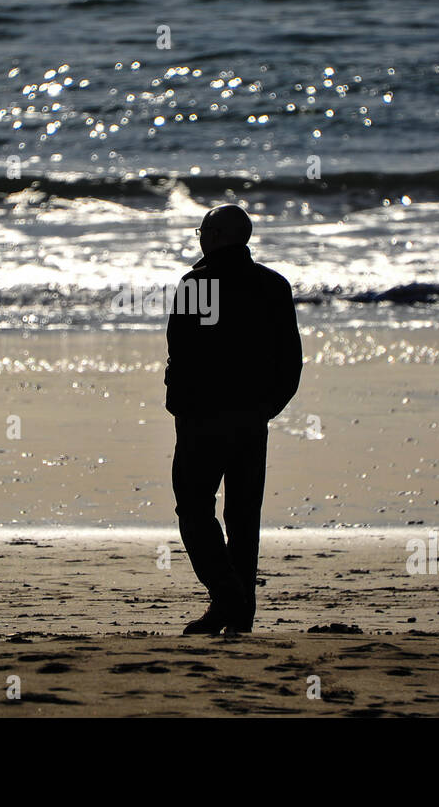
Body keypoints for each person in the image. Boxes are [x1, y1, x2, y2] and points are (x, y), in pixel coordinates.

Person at [165, 203, 302, 634]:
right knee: (244, 517)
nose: (199, 237)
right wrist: (268, 408)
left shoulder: (198, 284)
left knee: (193, 508)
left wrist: (180, 406)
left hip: (203, 418)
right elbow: (290, 361)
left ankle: (227, 595)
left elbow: (181, 354)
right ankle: (239, 610)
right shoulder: (272, 285)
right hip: (250, 418)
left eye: (203, 231)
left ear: (217, 236)